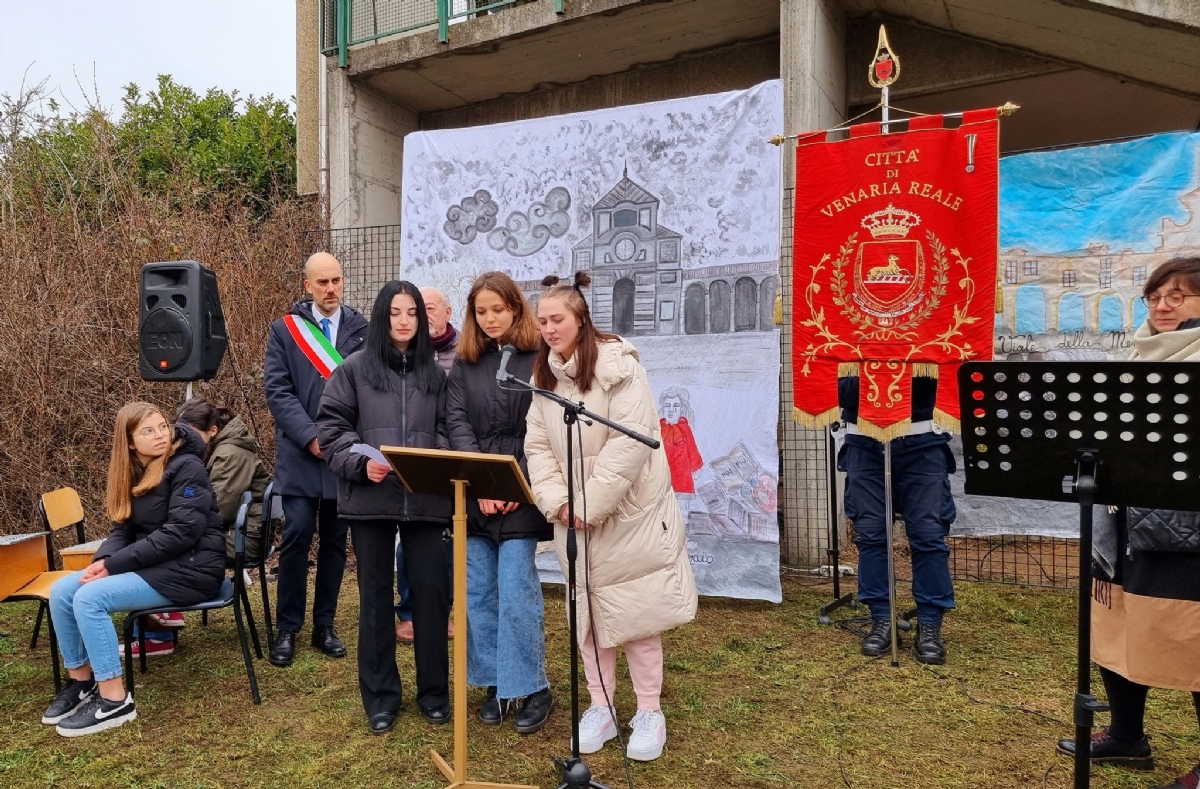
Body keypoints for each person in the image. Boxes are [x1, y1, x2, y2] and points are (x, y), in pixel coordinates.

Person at [524, 272, 698, 762]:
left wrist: (588, 506)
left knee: (637, 615)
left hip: (627, 514)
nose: (549, 329)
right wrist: (558, 503)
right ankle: (600, 706)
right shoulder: (543, 376)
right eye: (542, 322)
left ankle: (649, 712)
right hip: (572, 518)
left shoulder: (621, 367)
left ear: (581, 319)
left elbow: (631, 440)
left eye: (557, 319)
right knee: (588, 617)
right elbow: (537, 445)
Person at [1057, 257, 1200, 789]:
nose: (1163, 306)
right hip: (1123, 519)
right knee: (1115, 622)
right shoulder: (1139, 355)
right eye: (1155, 296)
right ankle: (1126, 736)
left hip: (1185, 530)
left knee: (1193, 635)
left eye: (1178, 296)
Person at [317, 280, 454, 734]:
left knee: (432, 594)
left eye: (412, 313)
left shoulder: (437, 375)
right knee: (375, 598)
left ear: (422, 319)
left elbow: (453, 434)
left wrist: (439, 469)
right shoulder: (354, 370)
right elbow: (332, 430)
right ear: (381, 317)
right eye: (395, 312)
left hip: (427, 502)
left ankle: (434, 693)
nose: (403, 321)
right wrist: (359, 463)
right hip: (371, 500)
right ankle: (380, 698)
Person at [42, 403, 224, 737]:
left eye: (163, 426)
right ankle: (81, 682)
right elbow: (122, 531)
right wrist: (101, 562)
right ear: (129, 442)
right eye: (148, 431)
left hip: (193, 569)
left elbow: (180, 534)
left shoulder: (187, 466)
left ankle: (115, 701)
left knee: (90, 599)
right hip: (158, 565)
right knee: (63, 592)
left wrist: (113, 566)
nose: (160, 435)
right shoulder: (135, 471)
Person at [446, 271, 554, 733]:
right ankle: (494, 682)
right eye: (481, 311)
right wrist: (482, 483)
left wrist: (512, 484)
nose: (490, 318)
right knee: (479, 594)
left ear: (515, 307)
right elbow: (456, 423)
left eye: (498, 309)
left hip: (522, 492)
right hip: (477, 494)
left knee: (516, 592)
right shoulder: (465, 363)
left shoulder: (540, 358)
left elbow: (544, 429)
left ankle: (531, 685)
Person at [264, 252, 368, 667]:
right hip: (301, 453)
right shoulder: (285, 331)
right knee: (297, 536)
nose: (331, 289)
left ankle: (324, 625)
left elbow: (368, 389)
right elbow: (278, 390)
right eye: (322, 282)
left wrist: (344, 441)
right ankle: (287, 628)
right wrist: (309, 436)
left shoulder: (362, 330)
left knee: (336, 542)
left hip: (343, 453)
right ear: (307, 285)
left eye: (336, 280)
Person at [837, 359, 956, 665]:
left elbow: (939, 381)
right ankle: (881, 619)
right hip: (865, 444)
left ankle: (929, 625)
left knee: (929, 537)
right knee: (872, 537)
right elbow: (842, 391)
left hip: (923, 443)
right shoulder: (847, 331)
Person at [393, 287, 458, 644]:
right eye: (420, 310)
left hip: (450, 458)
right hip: (410, 463)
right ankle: (408, 613)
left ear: (448, 311)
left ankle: (442, 612)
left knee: (446, 543)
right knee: (409, 541)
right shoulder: (405, 356)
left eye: (429, 308)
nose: (424, 316)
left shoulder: (466, 351)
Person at [176, 398, 271, 561]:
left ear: (212, 431)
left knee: (169, 549)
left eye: (191, 432)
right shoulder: (217, 449)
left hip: (242, 538)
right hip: (235, 532)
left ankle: (218, 587)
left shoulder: (228, 455)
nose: (185, 439)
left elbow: (220, 510)